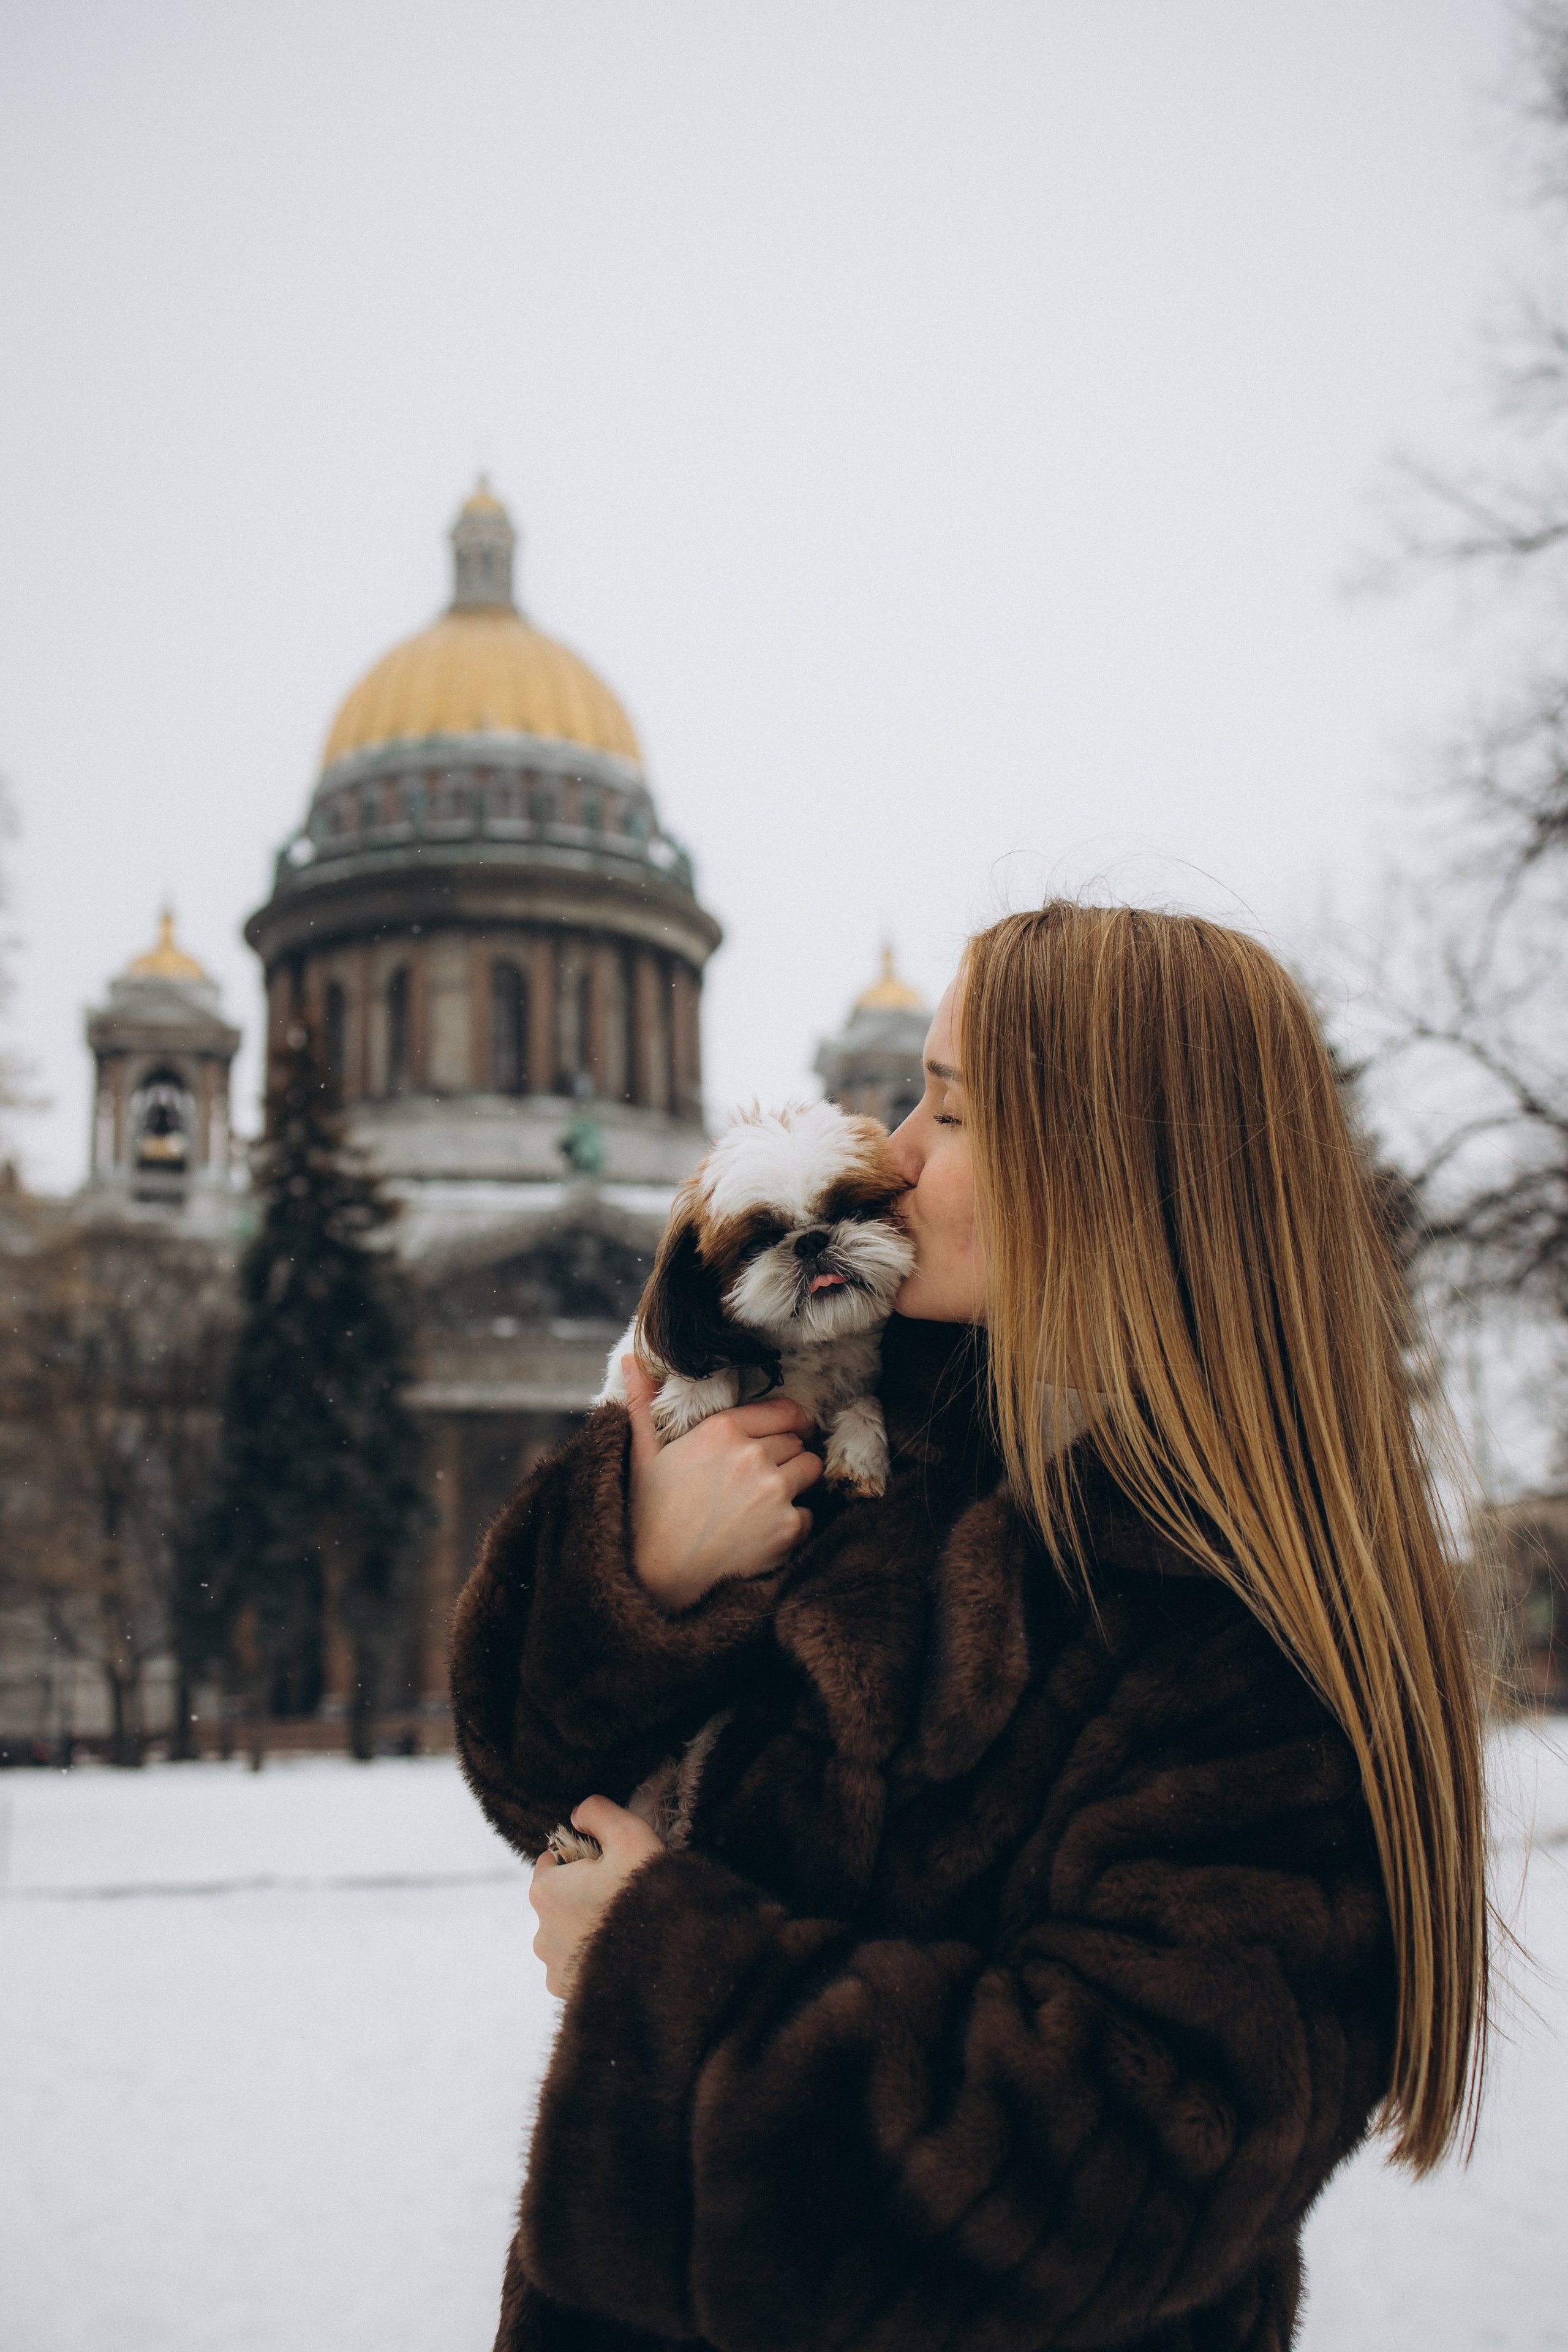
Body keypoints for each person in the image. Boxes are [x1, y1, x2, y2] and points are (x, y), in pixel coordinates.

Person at [450, 901, 1490, 2352]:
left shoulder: (1242, 1627)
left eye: (945, 1107)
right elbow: (538, 1788)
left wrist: (664, 1965)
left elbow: (1119, 2163)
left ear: (1107, 1180)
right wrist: (647, 1580)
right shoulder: (873, 1429)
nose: (890, 1152)